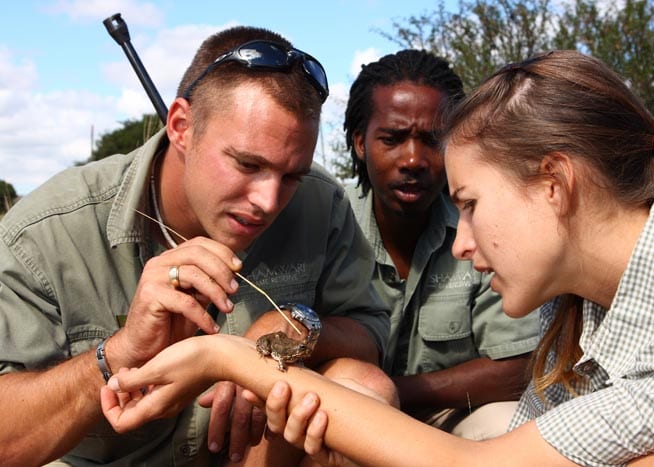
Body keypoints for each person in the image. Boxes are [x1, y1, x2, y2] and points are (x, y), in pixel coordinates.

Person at [101, 50, 654, 466]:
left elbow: (480, 461)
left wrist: (224, 356)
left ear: (554, 184)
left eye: (469, 203)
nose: (465, 243)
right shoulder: (571, 308)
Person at [0, 25, 394, 466]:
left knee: (366, 387)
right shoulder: (47, 233)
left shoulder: (321, 203)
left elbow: (371, 335)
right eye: (247, 164)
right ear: (181, 127)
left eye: (291, 176)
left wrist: (290, 328)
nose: (268, 201)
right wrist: (118, 354)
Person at [342, 49, 539, 439]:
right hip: (342, 416)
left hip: (447, 422)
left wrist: (388, 393)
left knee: (513, 425)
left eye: (432, 140)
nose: (413, 159)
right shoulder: (330, 221)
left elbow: (516, 367)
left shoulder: (486, 223)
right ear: (360, 144)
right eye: (393, 139)